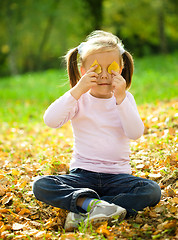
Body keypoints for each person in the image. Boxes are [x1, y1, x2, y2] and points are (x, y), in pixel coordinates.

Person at [33, 30, 161, 230]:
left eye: (111, 68)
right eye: (95, 68)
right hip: (82, 174)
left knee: (151, 191)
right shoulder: (78, 99)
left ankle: (83, 207)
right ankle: (98, 206)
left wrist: (120, 100)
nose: (103, 74)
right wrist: (76, 90)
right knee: (41, 185)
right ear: (84, 71)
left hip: (118, 176)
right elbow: (51, 120)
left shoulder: (125, 99)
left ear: (121, 67)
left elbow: (135, 133)